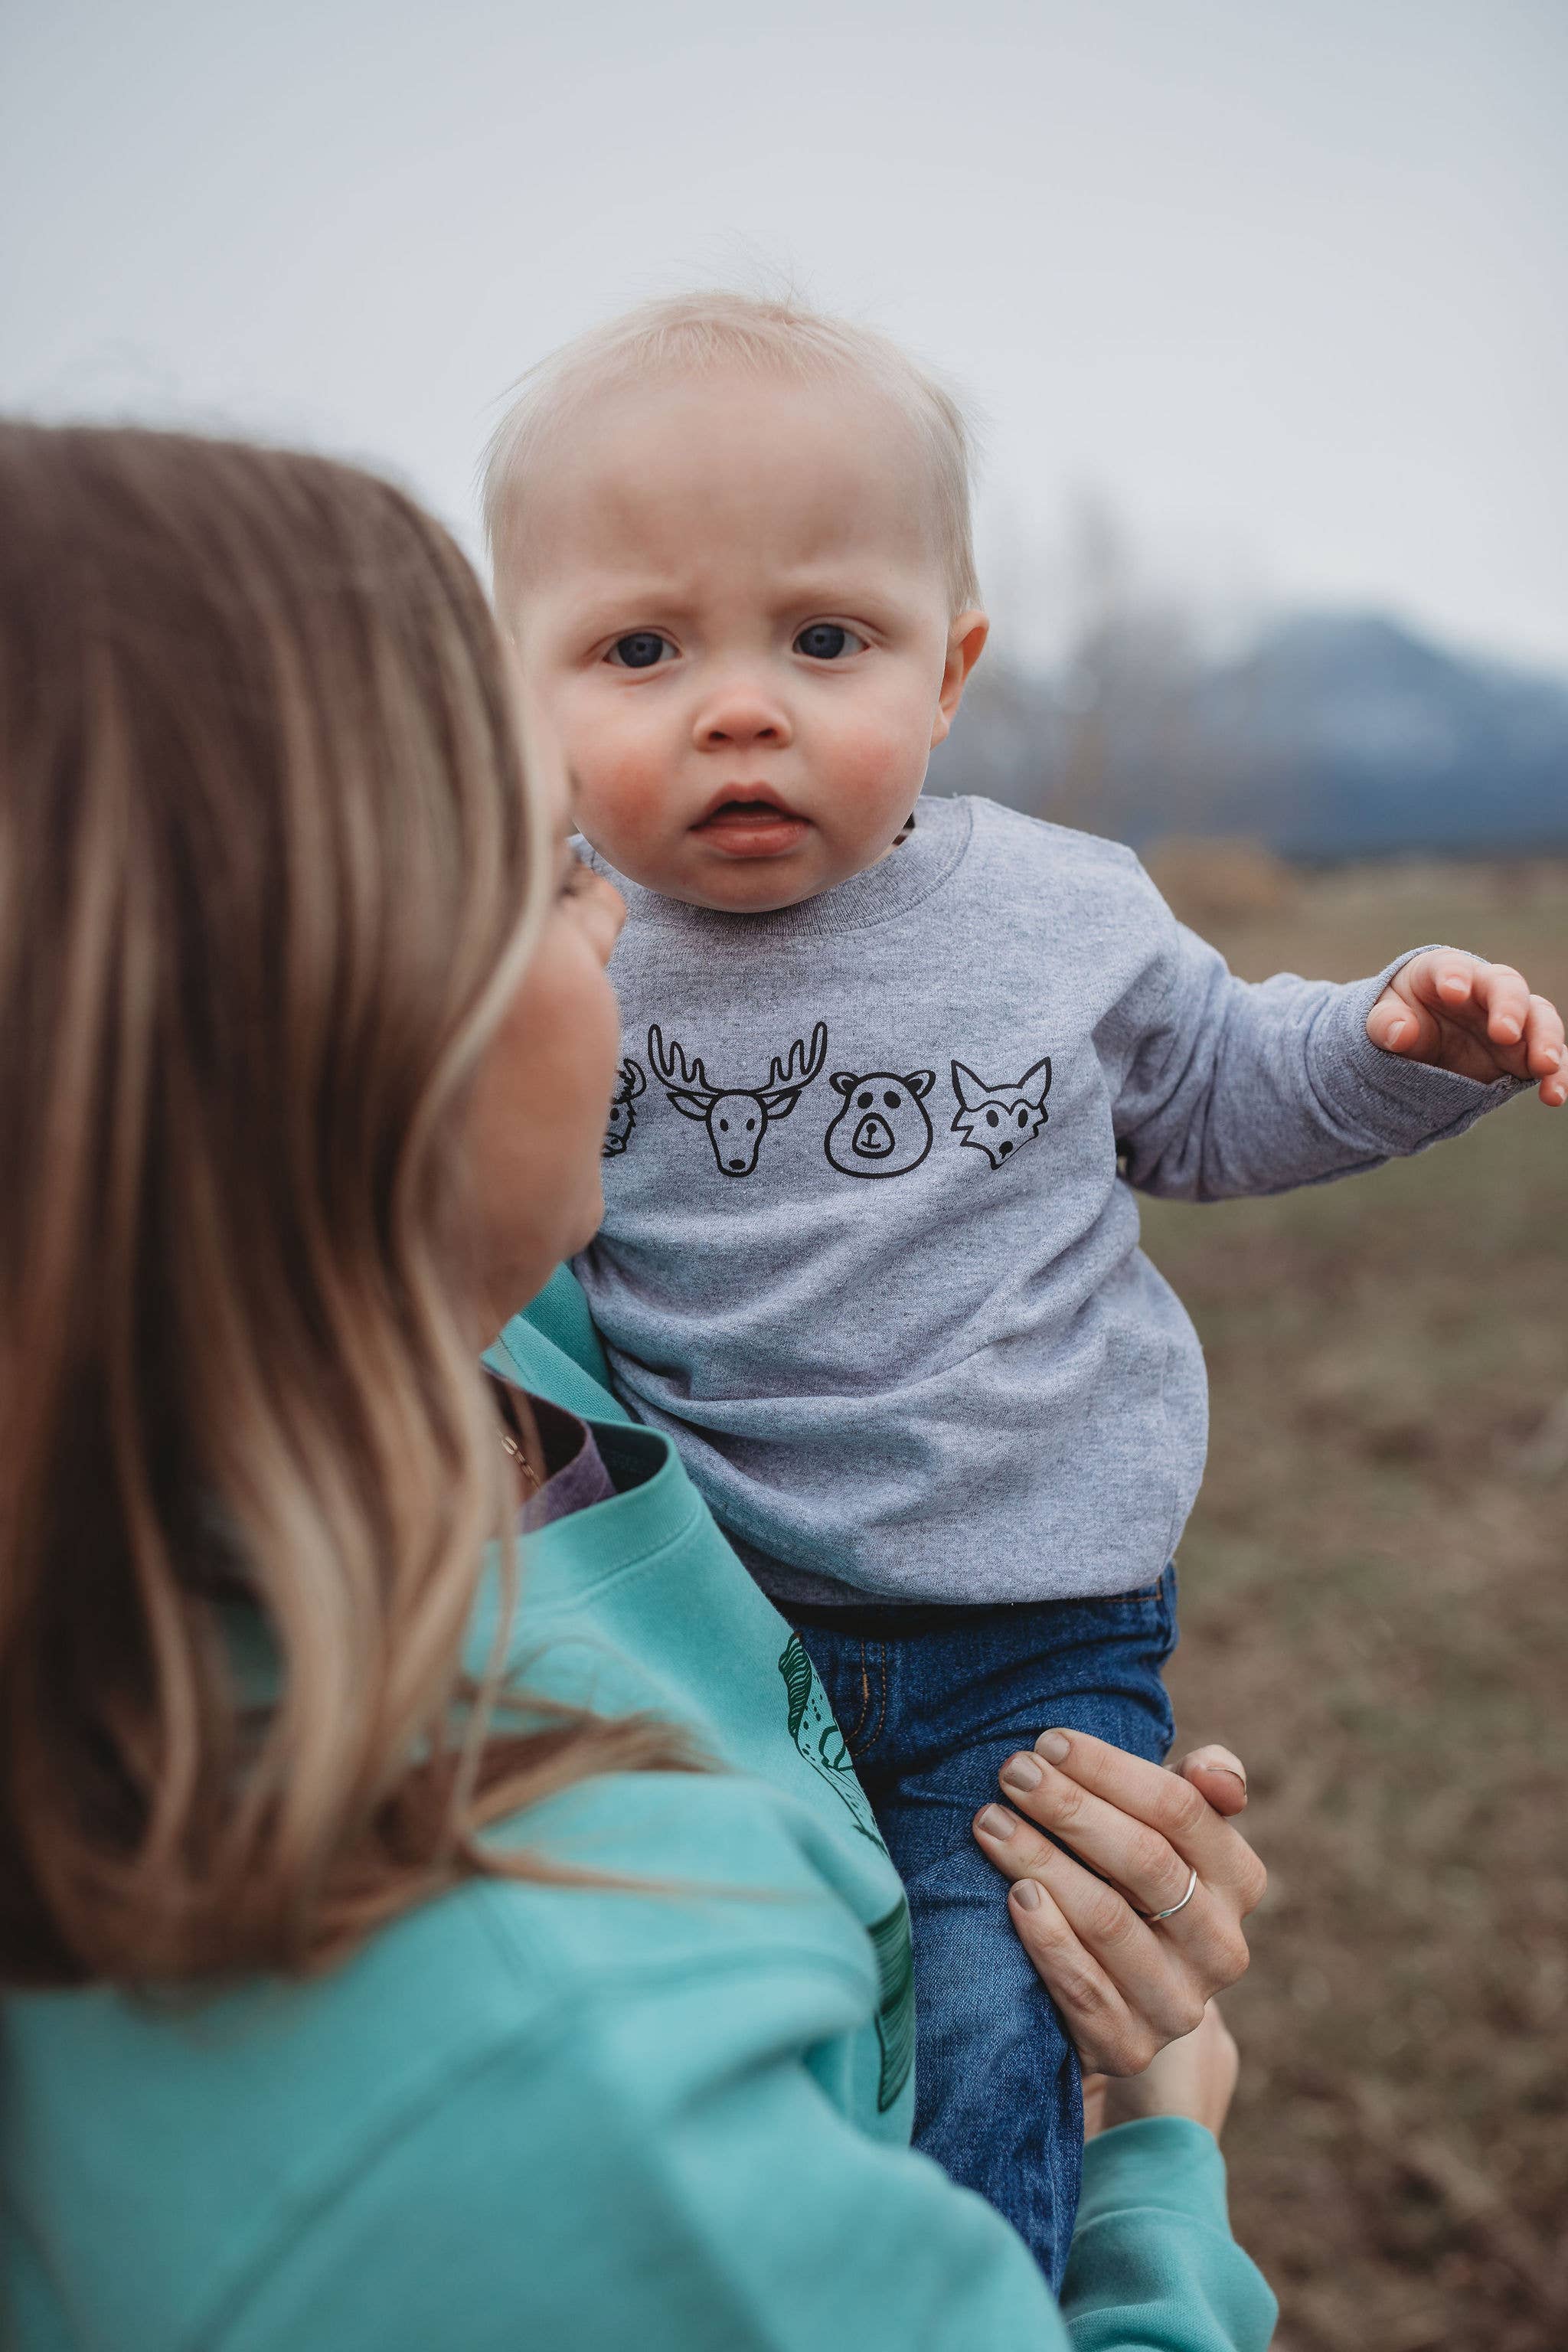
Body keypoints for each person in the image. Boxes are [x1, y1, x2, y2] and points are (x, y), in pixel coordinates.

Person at [0, 420, 1274, 2350]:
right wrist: (1158, 2155)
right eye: (547, 869)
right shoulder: (556, 2096)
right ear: (340, 1008)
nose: (620, 919)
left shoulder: (492, 1359)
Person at [482, 287, 1568, 2282]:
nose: (742, 706)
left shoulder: (1059, 915)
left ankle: (993, 2315)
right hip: (715, 1626)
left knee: (1001, 2031)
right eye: (643, 649)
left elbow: (1228, 1090)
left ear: (952, 667)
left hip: (1032, 1636)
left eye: (827, 641)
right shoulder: (556, 966)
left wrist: (1392, 1045)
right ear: (521, 687)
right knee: (766, 2053)